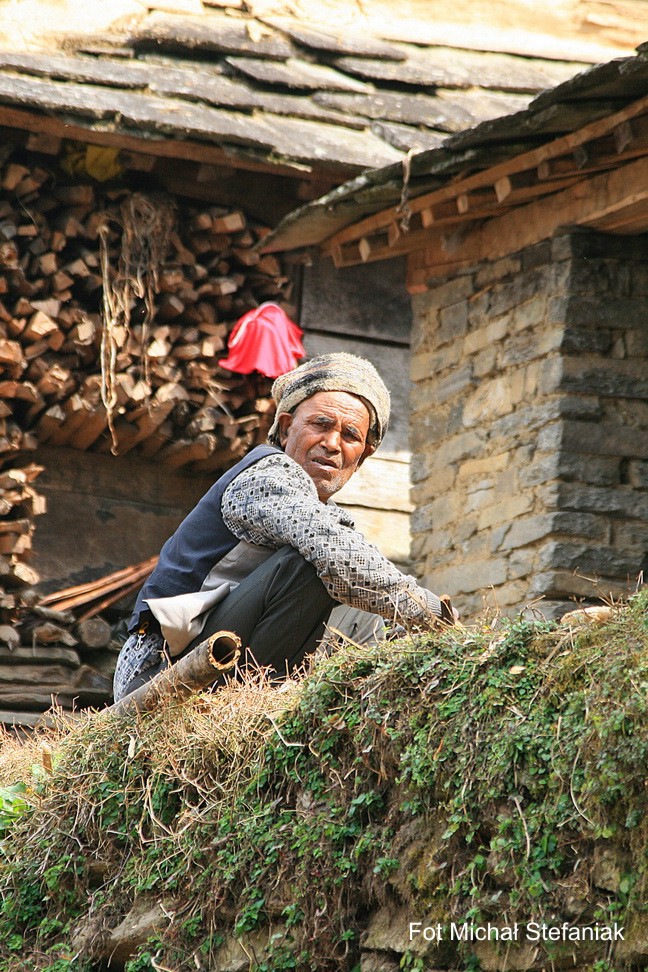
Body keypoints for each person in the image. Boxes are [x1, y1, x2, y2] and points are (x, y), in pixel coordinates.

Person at [113, 352, 454, 702]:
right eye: (321, 424)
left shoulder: (327, 514)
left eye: (350, 435)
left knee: (359, 596)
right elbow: (337, 554)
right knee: (318, 564)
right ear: (288, 426)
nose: (333, 443)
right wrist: (434, 618)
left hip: (232, 659)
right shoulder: (267, 475)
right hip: (162, 671)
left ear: (362, 455)